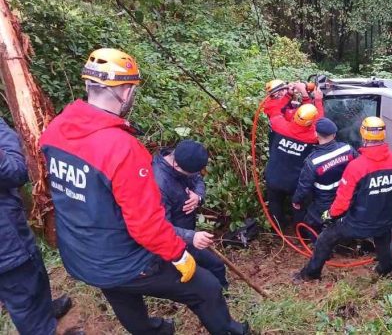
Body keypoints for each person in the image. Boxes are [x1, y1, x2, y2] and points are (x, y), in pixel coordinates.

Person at [40, 48, 248, 335]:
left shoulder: (55, 130)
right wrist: (179, 254)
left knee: (120, 293)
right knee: (207, 288)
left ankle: (154, 330)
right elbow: (145, 224)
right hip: (123, 258)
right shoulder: (122, 148)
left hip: (82, 254)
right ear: (125, 92)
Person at [293, 117, 392, 282]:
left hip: (357, 223)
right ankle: (385, 269)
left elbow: (342, 203)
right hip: (385, 220)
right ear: (383, 136)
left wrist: (329, 214)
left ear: (363, 135)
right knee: (383, 240)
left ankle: (311, 274)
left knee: (325, 239)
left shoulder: (357, 167)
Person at [0, 118, 73, 335]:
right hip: (5, 243)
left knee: (33, 273)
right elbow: (16, 171)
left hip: (9, 228)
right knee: (21, 293)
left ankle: (44, 311)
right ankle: (43, 328)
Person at [153, 139, 228, 289]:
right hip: (177, 240)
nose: (195, 174)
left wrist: (198, 197)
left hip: (187, 230)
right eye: (191, 173)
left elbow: (197, 179)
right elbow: (160, 227)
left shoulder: (183, 159)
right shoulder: (159, 185)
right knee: (216, 266)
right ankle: (220, 296)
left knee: (212, 269)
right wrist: (191, 237)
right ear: (177, 165)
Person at [264, 87, 324, 229]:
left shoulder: (279, 125)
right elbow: (320, 123)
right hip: (295, 183)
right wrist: (316, 100)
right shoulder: (312, 137)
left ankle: (278, 228)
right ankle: (300, 232)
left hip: (273, 176)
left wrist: (289, 94)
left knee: (274, 202)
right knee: (299, 206)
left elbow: (274, 109)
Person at [292, 117, 358, 238]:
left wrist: (297, 201)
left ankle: (320, 248)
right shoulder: (347, 149)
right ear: (334, 134)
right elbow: (359, 167)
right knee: (340, 219)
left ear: (316, 134)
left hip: (324, 202)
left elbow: (304, 187)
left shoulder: (313, 161)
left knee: (311, 223)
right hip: (346, 197)